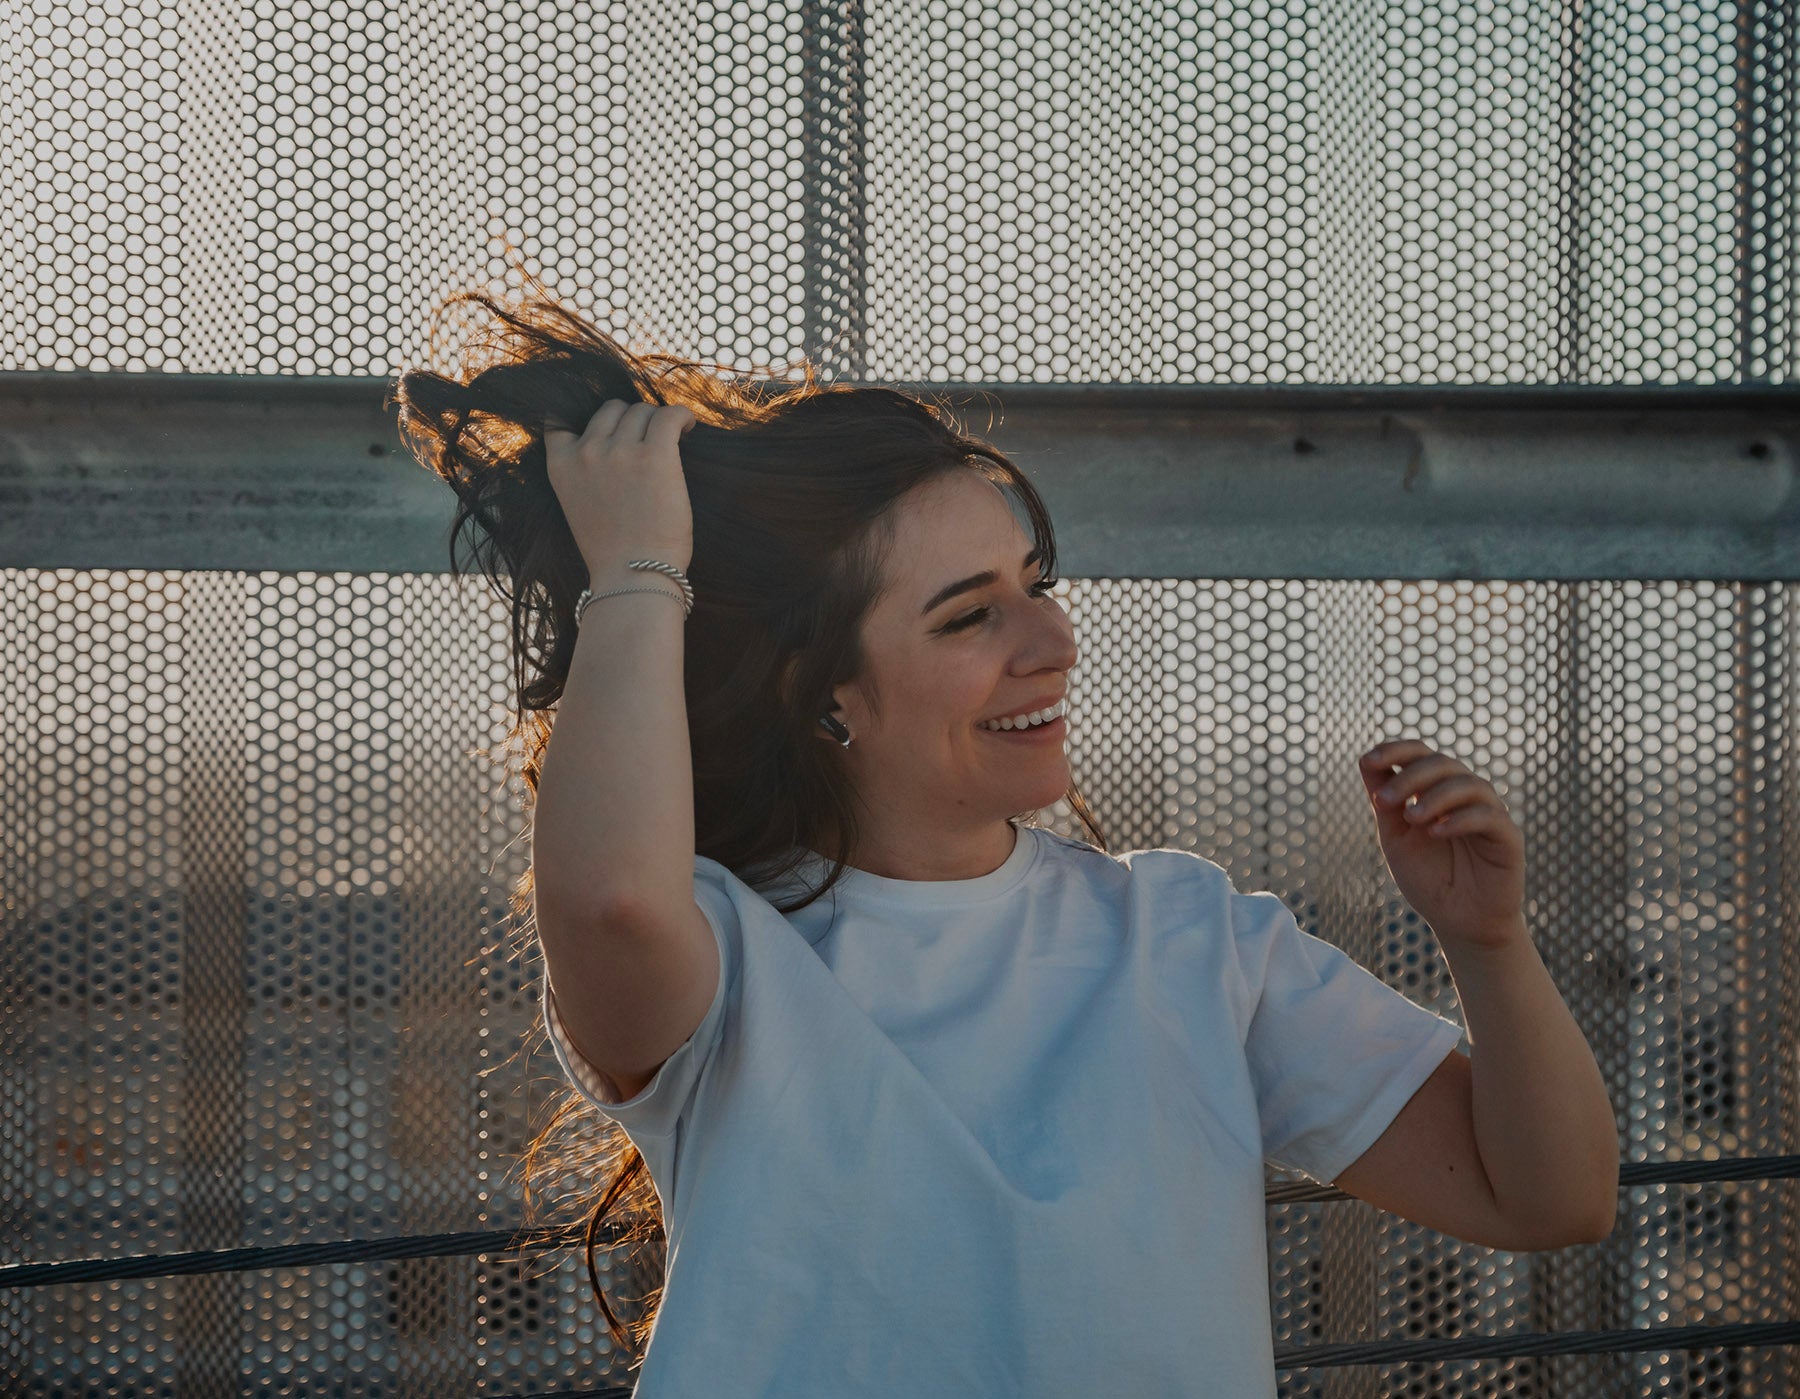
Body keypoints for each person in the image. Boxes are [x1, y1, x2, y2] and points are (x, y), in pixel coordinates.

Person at [394, 282, 1619, 1397]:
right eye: (970, 615)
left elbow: (1550, 1195)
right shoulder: (727, 959)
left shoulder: (1192, 937)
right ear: (824, 693)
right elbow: (609, 901)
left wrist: (1490, 944)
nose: (1053, 642)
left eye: (1036, 580)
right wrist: (639, 564)